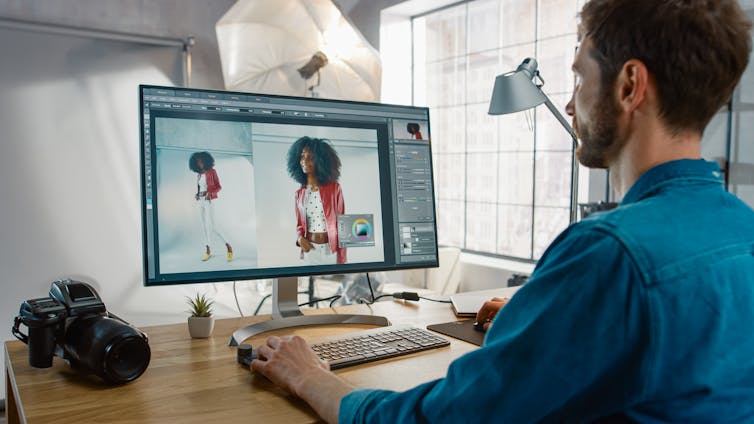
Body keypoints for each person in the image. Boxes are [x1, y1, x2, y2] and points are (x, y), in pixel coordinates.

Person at [250, 0, 754, 421]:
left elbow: (448, 418)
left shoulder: (610, 253)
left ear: (628, 86)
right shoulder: (742, 229)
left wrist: (310, 377)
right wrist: (551, 315)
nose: (572, 104)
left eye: (578, 77)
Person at [287, 136, 346, 264]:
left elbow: (343, 225)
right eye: (302, 156)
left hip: (331, 251)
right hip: (310, 250)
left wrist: (342, 259)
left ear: (321, 161)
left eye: (311, 157)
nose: (304, 160)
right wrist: (299, 239)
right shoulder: (299, 194)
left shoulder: (335, 189)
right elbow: (299, 225)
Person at [188, 151, 233, 262]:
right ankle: (208, 251)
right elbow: (200, 188)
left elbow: (218, 186)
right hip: (201, 201)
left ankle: (228, 247)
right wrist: (197, 194)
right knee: (203, 227)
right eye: (197, 162)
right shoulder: (199, 175)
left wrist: (210, 193)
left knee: (212, 227)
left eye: (201, 161)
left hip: (209, 200)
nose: (200, 164)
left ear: (206, 161)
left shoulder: (212, 172)